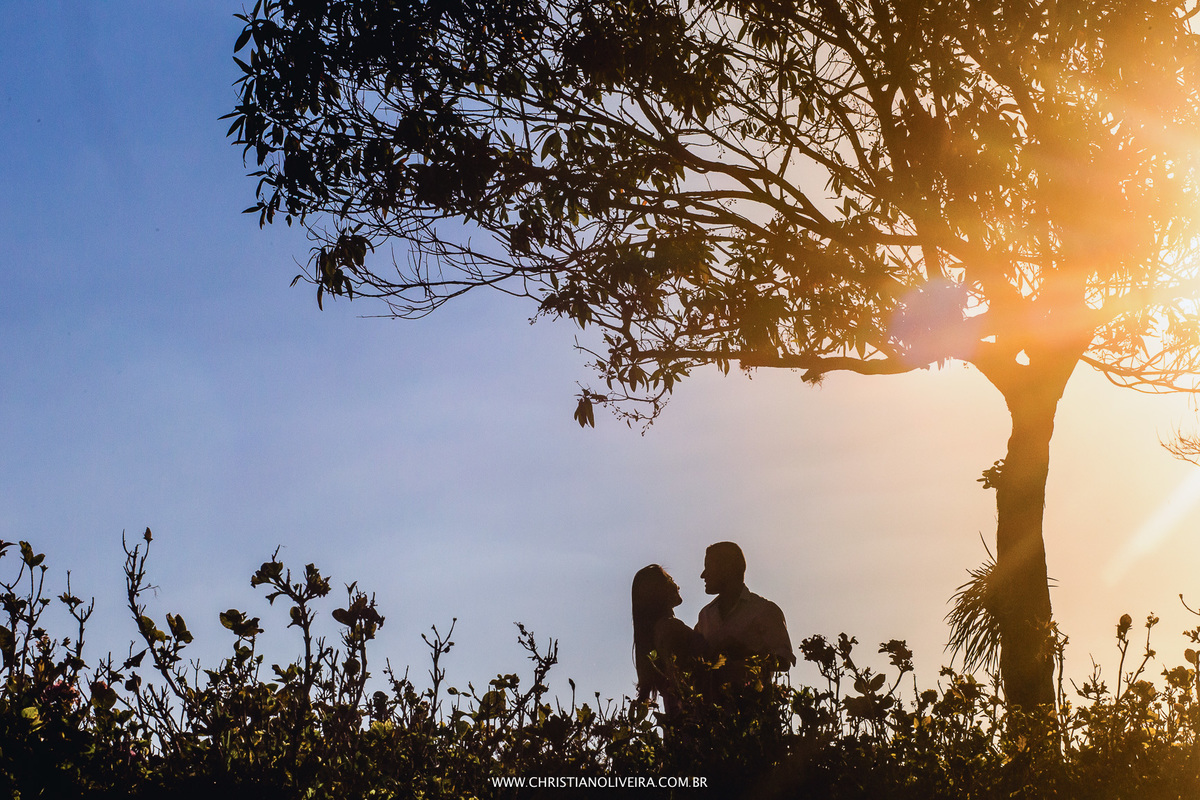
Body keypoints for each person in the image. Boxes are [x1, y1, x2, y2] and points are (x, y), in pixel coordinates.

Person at [695, 541, 795, 689]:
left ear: (727, 568)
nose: (703, 575)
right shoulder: (705, 615)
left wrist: (745, 655)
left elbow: (784, 660)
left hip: (752, 708)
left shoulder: (765, 610)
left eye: (708, 566)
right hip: (711, 709)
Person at [632, 564, 705, 715]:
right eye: (669, 579)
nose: (676, 585)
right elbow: (685, 677)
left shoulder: (656, 630)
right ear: (658, 590)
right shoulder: (670, 628)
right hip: (692, 716)